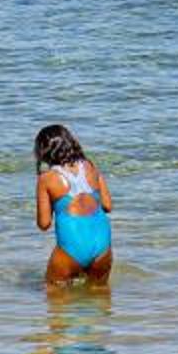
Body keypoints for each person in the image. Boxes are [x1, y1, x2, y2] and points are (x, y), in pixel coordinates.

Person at [33, 122, 115, 285]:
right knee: (100, 295)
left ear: (43, 151)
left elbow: (44, 224)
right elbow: (107, 205)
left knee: (54, 293)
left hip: (72, 247)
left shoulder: (46, 178)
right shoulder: (90, 166)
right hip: (102, 243)